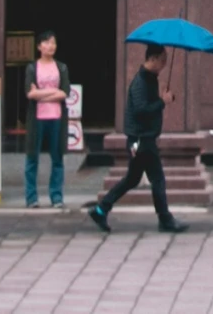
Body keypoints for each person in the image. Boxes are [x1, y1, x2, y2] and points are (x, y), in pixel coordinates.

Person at [89, 43, 186, 233]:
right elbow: (142, 110)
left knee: (132, 179)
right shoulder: (141, 81)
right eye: (163, 60)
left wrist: (162, 99)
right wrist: (162, 101)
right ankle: (165, 218)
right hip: (142, 139)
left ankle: (101, 209)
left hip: (142, 139)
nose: (165, 64)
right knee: (157, 178)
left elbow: (148, 106)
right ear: (153, 59)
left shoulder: (150, 79)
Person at [22, 30, 72, 208]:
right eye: (47, 43)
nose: (51, 46)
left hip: (56, 117)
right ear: (39, 47)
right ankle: (31, 198)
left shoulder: (62, 67)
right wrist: (52, 92)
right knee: (32, 158)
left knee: (57, 158)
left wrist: (40, 94)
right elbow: (29, 93)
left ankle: (56, 197)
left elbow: (64, 92)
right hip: (37, 118)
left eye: (53, 43)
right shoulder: (32, 68)